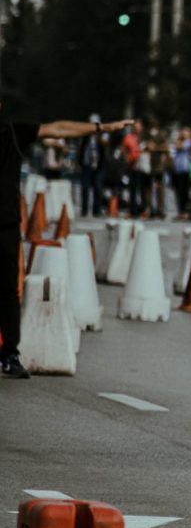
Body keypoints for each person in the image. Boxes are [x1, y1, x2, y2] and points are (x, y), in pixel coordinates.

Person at [2, 115, 133, 379]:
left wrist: (99, 128)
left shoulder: (12, 130)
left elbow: (58, 128)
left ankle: (9, 355)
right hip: (7, 221)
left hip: (5, 223)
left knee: (6, 291)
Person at [78, 114, 109, 217]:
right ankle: (84, 210)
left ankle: (97, 210)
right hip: (86, 163)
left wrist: (97, 136)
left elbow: (105, 143)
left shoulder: (103, 133)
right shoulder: (85, 135)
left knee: (98, 187)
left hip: (99, 164)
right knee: (85, 187)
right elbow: (80, 148)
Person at [171, 127, 191, 220]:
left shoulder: (189, 142)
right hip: (177, 170)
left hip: (185, 170)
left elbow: (179, 147)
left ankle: (185, 212)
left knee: (184, 192)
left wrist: (179, 141)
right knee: (178, 192)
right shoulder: (179, 141)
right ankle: (180, 211)